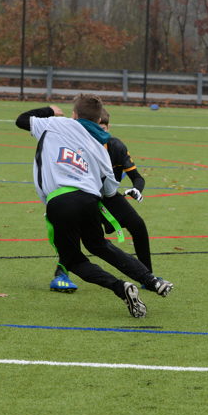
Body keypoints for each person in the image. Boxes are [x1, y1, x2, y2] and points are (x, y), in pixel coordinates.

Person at [15, 93, 173, 318]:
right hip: (90, 199)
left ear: (74, 114)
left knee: (74, 260)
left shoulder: (56, 124)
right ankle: (151, 279)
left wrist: (50, 110)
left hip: (61, 201)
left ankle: (120, 287)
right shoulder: (100, 147)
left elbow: (21, 120)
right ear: (99, 120)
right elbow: (109, 190)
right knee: (99, 245)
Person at [49, 107, 153, 293]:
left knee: (138, 225)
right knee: (73, 234)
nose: (98, 132)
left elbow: (137, 177)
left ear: (108, 128)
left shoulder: (116, 146)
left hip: (108, 195)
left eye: (102, 128)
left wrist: (137, 189)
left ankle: (148, 276)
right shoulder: (78, 144)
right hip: (85, 195)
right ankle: (61, 273)